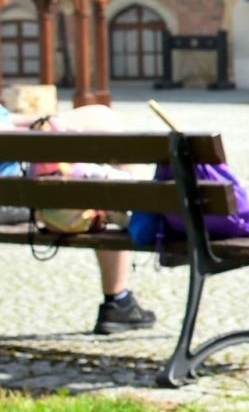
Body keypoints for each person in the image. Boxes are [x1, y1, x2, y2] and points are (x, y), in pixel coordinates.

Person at [0, 102, 157, 334]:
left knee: (100, 118)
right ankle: (118, 298)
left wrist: (43, 121)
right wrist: (43, 131)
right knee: (97, 193)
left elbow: (7, 121)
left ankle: (119, 298)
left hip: (16, 188)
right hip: (12, 196)